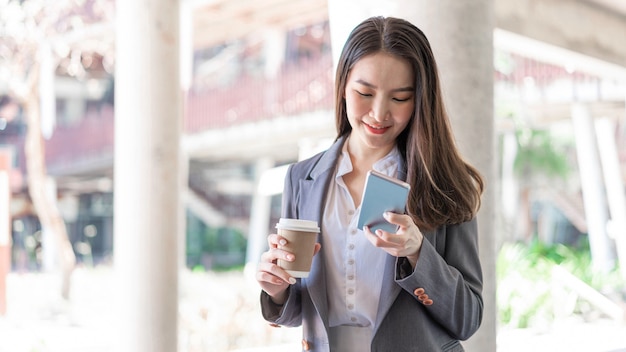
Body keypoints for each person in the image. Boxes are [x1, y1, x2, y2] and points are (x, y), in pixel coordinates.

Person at [256, 16, 484, 352]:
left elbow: (467, 319)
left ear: (420, 99)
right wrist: (277, 288)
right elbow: (301, 310)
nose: (379, 114)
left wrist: (418, 253)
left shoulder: (444, 182)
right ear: (343, 86)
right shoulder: (302, 179)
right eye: (365, 93)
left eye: (400, 98)